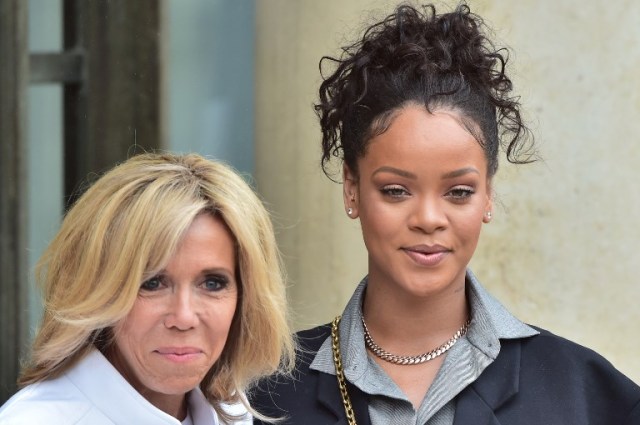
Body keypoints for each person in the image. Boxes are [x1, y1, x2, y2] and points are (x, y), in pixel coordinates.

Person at [249, 3, 640, 424]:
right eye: (396, 190)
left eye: (458, 192)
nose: (429, 218)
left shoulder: (587, 397)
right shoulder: (263, 398)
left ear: (488, 194)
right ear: (352, 188)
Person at [0, 153, 295, 424]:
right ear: (97, 291)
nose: (183, 318)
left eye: (213, 283)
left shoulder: (235, 414)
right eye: (152, 283)